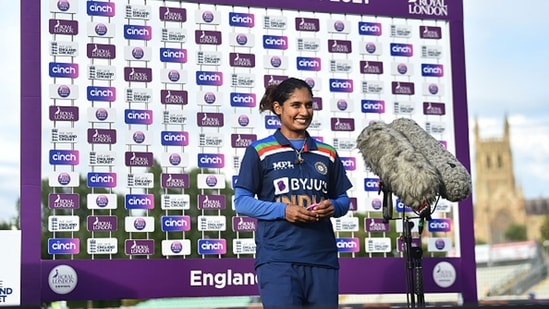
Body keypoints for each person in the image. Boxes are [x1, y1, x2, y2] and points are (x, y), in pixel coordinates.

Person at [234, 77, 353, 308]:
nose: (304, 111)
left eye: (309, 105)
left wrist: (333, 207)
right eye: (296, 105)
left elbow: (343, 200)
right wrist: (284, 210)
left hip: (322, 259)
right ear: (278, 108)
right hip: (278, 260)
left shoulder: (327, 153)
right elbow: (242, 202)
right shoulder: (259, 150)